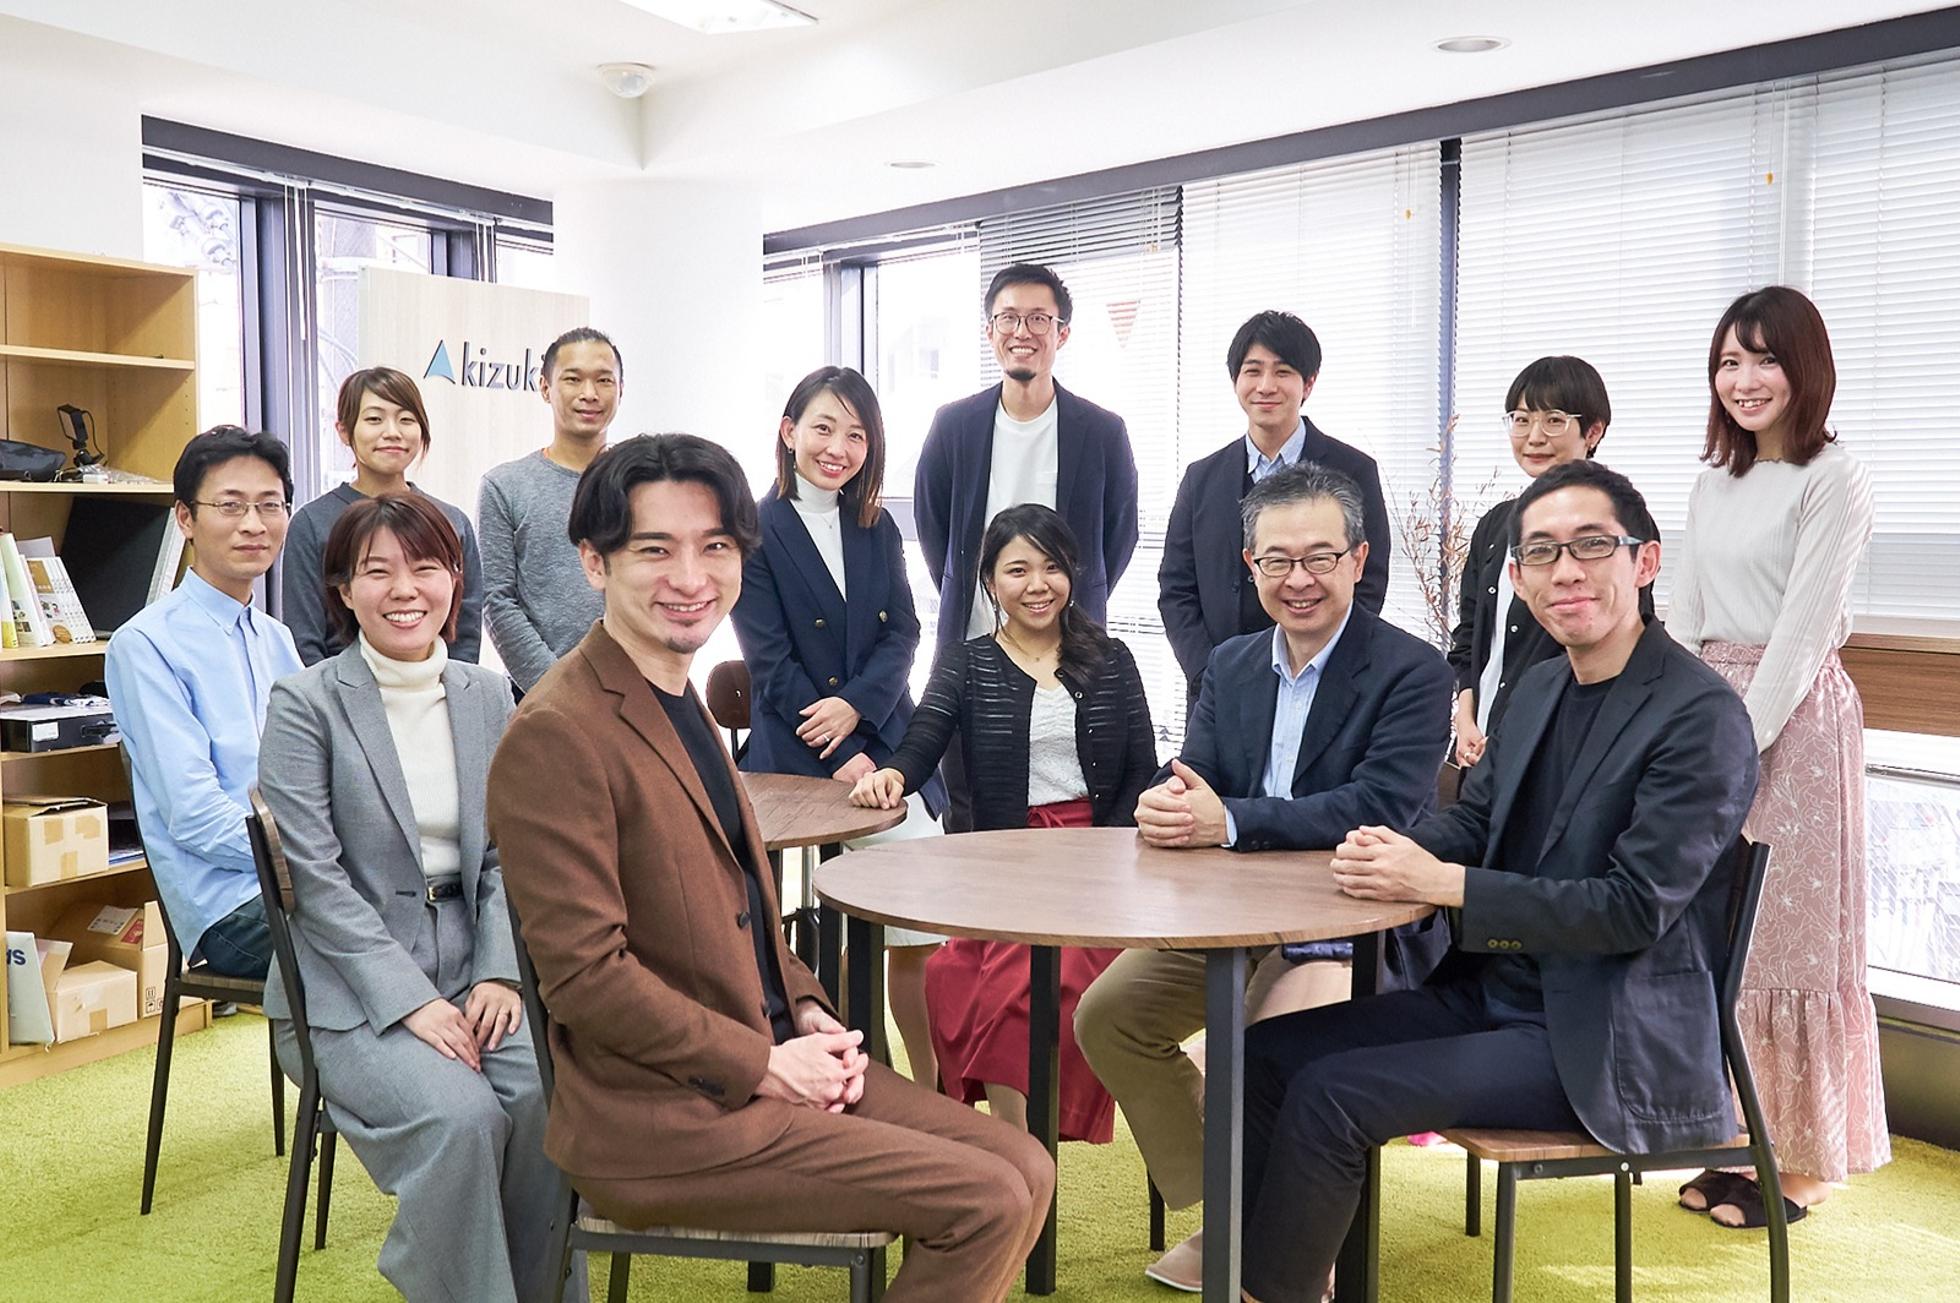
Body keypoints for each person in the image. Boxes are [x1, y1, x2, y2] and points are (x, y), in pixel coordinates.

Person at [487, 434, 1053, 1303]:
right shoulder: (558, 732)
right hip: (662, 1117)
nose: (690, 577)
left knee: (1026, 1165)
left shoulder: (679, 695)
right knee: (986, 1198)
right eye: (655, 550)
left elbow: (746, 913)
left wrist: (810, 1011)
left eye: (714, 546)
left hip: (766, 1048)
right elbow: (586, 981)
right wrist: (763, 1062)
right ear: (595, 563)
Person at [1237, 460, 1759, 1302]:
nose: (1566, 570)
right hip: (1494, 993)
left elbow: (1633, 909)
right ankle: (1271, 1276)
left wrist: (1447, 884)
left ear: (1646, 561)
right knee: (1265, 1055)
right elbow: (1475, 821)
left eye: (1592, 545)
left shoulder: (1701, 716)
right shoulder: (1541, 685)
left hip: (1602, 1037)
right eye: (1541, 552)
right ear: (1516, 578)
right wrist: (1385, 852)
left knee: (1333, 1092)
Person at [1075, 460, 1451, 1291]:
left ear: (1358, 558)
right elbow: (1199, 773)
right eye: (1277, 559)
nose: (1299, 578)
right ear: (1251, 565)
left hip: (1350, 924)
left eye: (1320, 556)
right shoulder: (1232, 664)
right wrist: (1168, 801)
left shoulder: (1414, 671)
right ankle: (1239, 1209)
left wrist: (1233, 821)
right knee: (1108, 1017)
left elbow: (1379, 805)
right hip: (1231, 916)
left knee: (1265, 1057)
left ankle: (1283, 1248)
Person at [258, 493, 573, 1303]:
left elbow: (508, 853)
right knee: (463, 1120)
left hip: (475, 971)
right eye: (378, 571)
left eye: (426, 567)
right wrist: (410, 1001)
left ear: (455, 580)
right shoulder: (306, 703)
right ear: (344, 589)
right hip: (349, 992)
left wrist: (500, 970)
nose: (405, 589)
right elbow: (315, 881)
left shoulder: (487, 694)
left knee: (548, 1099)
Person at [1668, 285, 1889, 1229]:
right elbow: (1682, 615)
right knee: (1727, 940)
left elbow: (1800, 635)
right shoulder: (1711, 482)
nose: (1745, 379)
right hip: (1711, 711)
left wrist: (1731, 742)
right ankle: (1736, 1137)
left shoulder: (1835, 476)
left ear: (1805, 368)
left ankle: (1803, 1163)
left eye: (1765, 358)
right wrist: (1673, 728)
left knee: (1791, 942)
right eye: (1729, 361)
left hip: (1792, 725)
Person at [850, 504, 1158, 1141]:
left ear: (1071, 572)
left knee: (1023, 977)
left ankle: (1014, 1148)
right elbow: (923, 737)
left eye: (1051, 567)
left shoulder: (1113, 658)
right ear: (989, 581)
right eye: (1018, 570)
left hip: (1094, 866)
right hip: (1001, 864)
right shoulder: (966, 662)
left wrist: (1104, 858)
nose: (1037, 585)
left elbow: (1141, 770)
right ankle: (1016, 1145)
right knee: (955, 975)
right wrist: (892, 775)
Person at [730, 365, 949, 1088]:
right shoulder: (752, 529)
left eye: (857, 434)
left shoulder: (875, 524)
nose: (839, 447)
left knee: (921, 898)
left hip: (884, 731)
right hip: (798, 748)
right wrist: (842, 749)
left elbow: (904, 633)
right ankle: (858, 1055)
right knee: (875, 891)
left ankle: (926, 1079)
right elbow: (770, 661)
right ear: (789, 431)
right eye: (823, 427)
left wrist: (857, 711)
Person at [913, 261, 1140, 829]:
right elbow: (934, 528)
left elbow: (1120, 533)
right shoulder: (954, 425)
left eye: (1039, 319)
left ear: (1062, 333)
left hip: (1071, 647)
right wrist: (984, 588)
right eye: (1008, 318)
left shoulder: (1102, 430)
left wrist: (1065, 594)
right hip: (974, 643)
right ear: (989, 331)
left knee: (1088, 791)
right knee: (970, 809)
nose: (1023, 331)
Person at [105, 426, 303, 980]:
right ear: (185, 519)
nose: (254, 524)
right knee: (389, 946)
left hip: (299, 878)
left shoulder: (276, 639)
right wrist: (303, 861)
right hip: (230, 906)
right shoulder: (146, 644)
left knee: (444, 919)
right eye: (231, 506)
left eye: (270, 505)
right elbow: (194, 817)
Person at [1160, 310, 1392, 699]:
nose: (1266, 386)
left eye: (1283, 372)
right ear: (1236, 381)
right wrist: (1208, 671)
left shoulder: (1353, 470)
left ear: (1308, 383)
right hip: (1218, 688)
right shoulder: (1202, 477)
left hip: (1319, 682)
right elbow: (1176, 587)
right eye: (1253, 371)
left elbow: (1368, 580)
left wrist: (1324, 663)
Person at [1448, 356, 1651, 765]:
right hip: (1481, 745)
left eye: (1554, 420)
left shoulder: (1619, 522)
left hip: (1559, 749)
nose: (1534, 437)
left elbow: (1621, 645)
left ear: (1593, 431)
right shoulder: (1496, 525)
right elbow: (1470, 637)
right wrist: (1466, 716)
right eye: (1521, 420)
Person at [284, 366, 483, 665]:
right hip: (338, 687)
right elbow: (303, 640)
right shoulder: (313, 523)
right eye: (374, 419)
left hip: (436, 686)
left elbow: (464, 634)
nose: (392, 432)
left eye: (406, 419)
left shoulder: (451, 521)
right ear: (344, 431)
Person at [477, 327, 619, 693]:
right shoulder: (505, 485)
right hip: (539, 694)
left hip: (635, 691)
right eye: (573, 379)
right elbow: (497, 600)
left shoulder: (641, 485)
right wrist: (557, 689)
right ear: (545, 387)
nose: (589, 393)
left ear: (621, 389)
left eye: (604, 380)